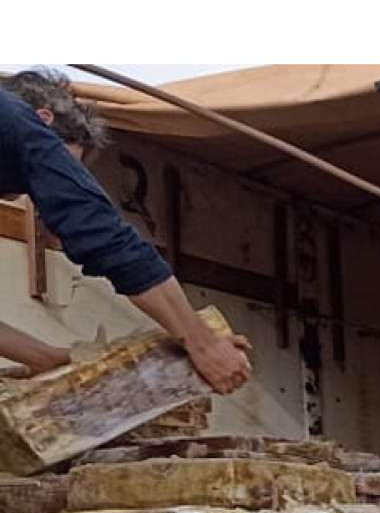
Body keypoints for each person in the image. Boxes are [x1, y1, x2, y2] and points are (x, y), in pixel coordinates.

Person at [0, 68, 250, 392]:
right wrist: (204, 344)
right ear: (42, 119)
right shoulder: (15, 120)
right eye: (61, 170)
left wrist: (48, 360)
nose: (39, 193)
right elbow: (103, 235)